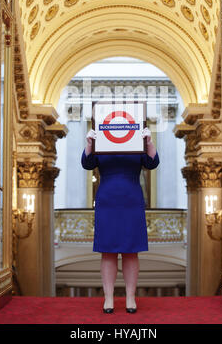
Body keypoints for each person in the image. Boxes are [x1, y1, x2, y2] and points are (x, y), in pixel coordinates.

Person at [81, 127, 159, 314]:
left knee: (131, 251)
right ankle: (108, 298)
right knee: (107, 251)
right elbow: (87, 163)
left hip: (131, 199)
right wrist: (90, 143)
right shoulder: (101, 137)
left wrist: (148, 142)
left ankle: (130, 297)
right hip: (107, 199)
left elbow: (152, 163)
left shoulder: (136, 137)